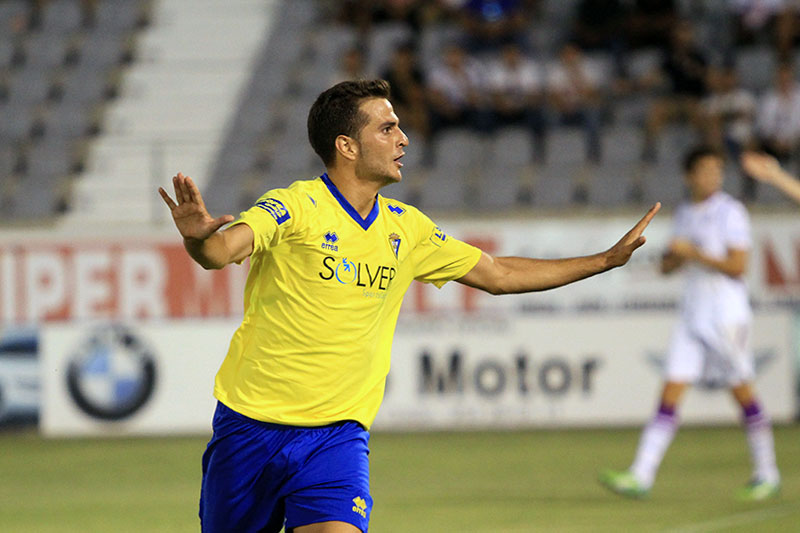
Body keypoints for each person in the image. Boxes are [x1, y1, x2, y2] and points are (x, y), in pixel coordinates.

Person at [158, 79, 660, 533]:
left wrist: (604, 261)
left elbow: (499, 275)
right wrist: (200, 241)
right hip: (250, 428)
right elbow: (222, 251)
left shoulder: (408, 227)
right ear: (347, 146)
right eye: (388, 127)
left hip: (336, 436)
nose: (403, 139)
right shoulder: (296, 206)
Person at [599, 146, 781, 502]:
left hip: (725, 316)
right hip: (692, 314)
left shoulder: (730, 212)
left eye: (717, 170)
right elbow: (669, 268)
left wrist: (694, 252)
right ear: (689, 176)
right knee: (670, 392)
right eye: (705, 171)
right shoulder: (684, 213)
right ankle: (641, 474)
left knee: (742, 390)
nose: (713, 177)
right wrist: (672, 258)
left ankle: (767, 471)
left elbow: (737, 267)